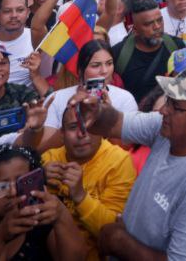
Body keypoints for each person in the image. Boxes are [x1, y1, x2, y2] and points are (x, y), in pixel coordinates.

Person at [76, 65, 186, 261]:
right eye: (168, 100)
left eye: (174, 105)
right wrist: (94, 111)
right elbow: (116, 123)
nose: (163, 110)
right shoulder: (166, 128)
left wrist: (120, 242)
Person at [39, 103, 136, 261]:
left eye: (89, 126)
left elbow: (114, 232)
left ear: (102, 131)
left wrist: (80, 196)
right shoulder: (49, 159)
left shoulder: (119, 162)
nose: (82, 134)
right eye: (72, 127)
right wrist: (40, 179)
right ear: (62, 134)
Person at [113, 0, 185, 103]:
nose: (157, 27)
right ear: (135, 30)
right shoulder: (118, 54)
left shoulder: (177, 46)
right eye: (148, 24)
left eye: (159, 20)